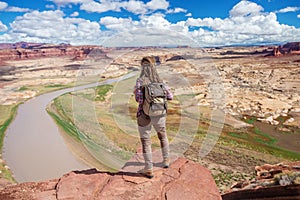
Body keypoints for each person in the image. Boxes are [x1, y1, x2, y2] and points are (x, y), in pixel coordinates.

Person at [134, 56, 173, 178]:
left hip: (145, 115)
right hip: (160, 114)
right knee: (163, 136)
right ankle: (166, 160)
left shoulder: (140, 81)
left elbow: (139, 100)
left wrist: (136, 91)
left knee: (146, 141)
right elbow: (170, 96)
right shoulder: (161, 81)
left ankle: (149, 169)